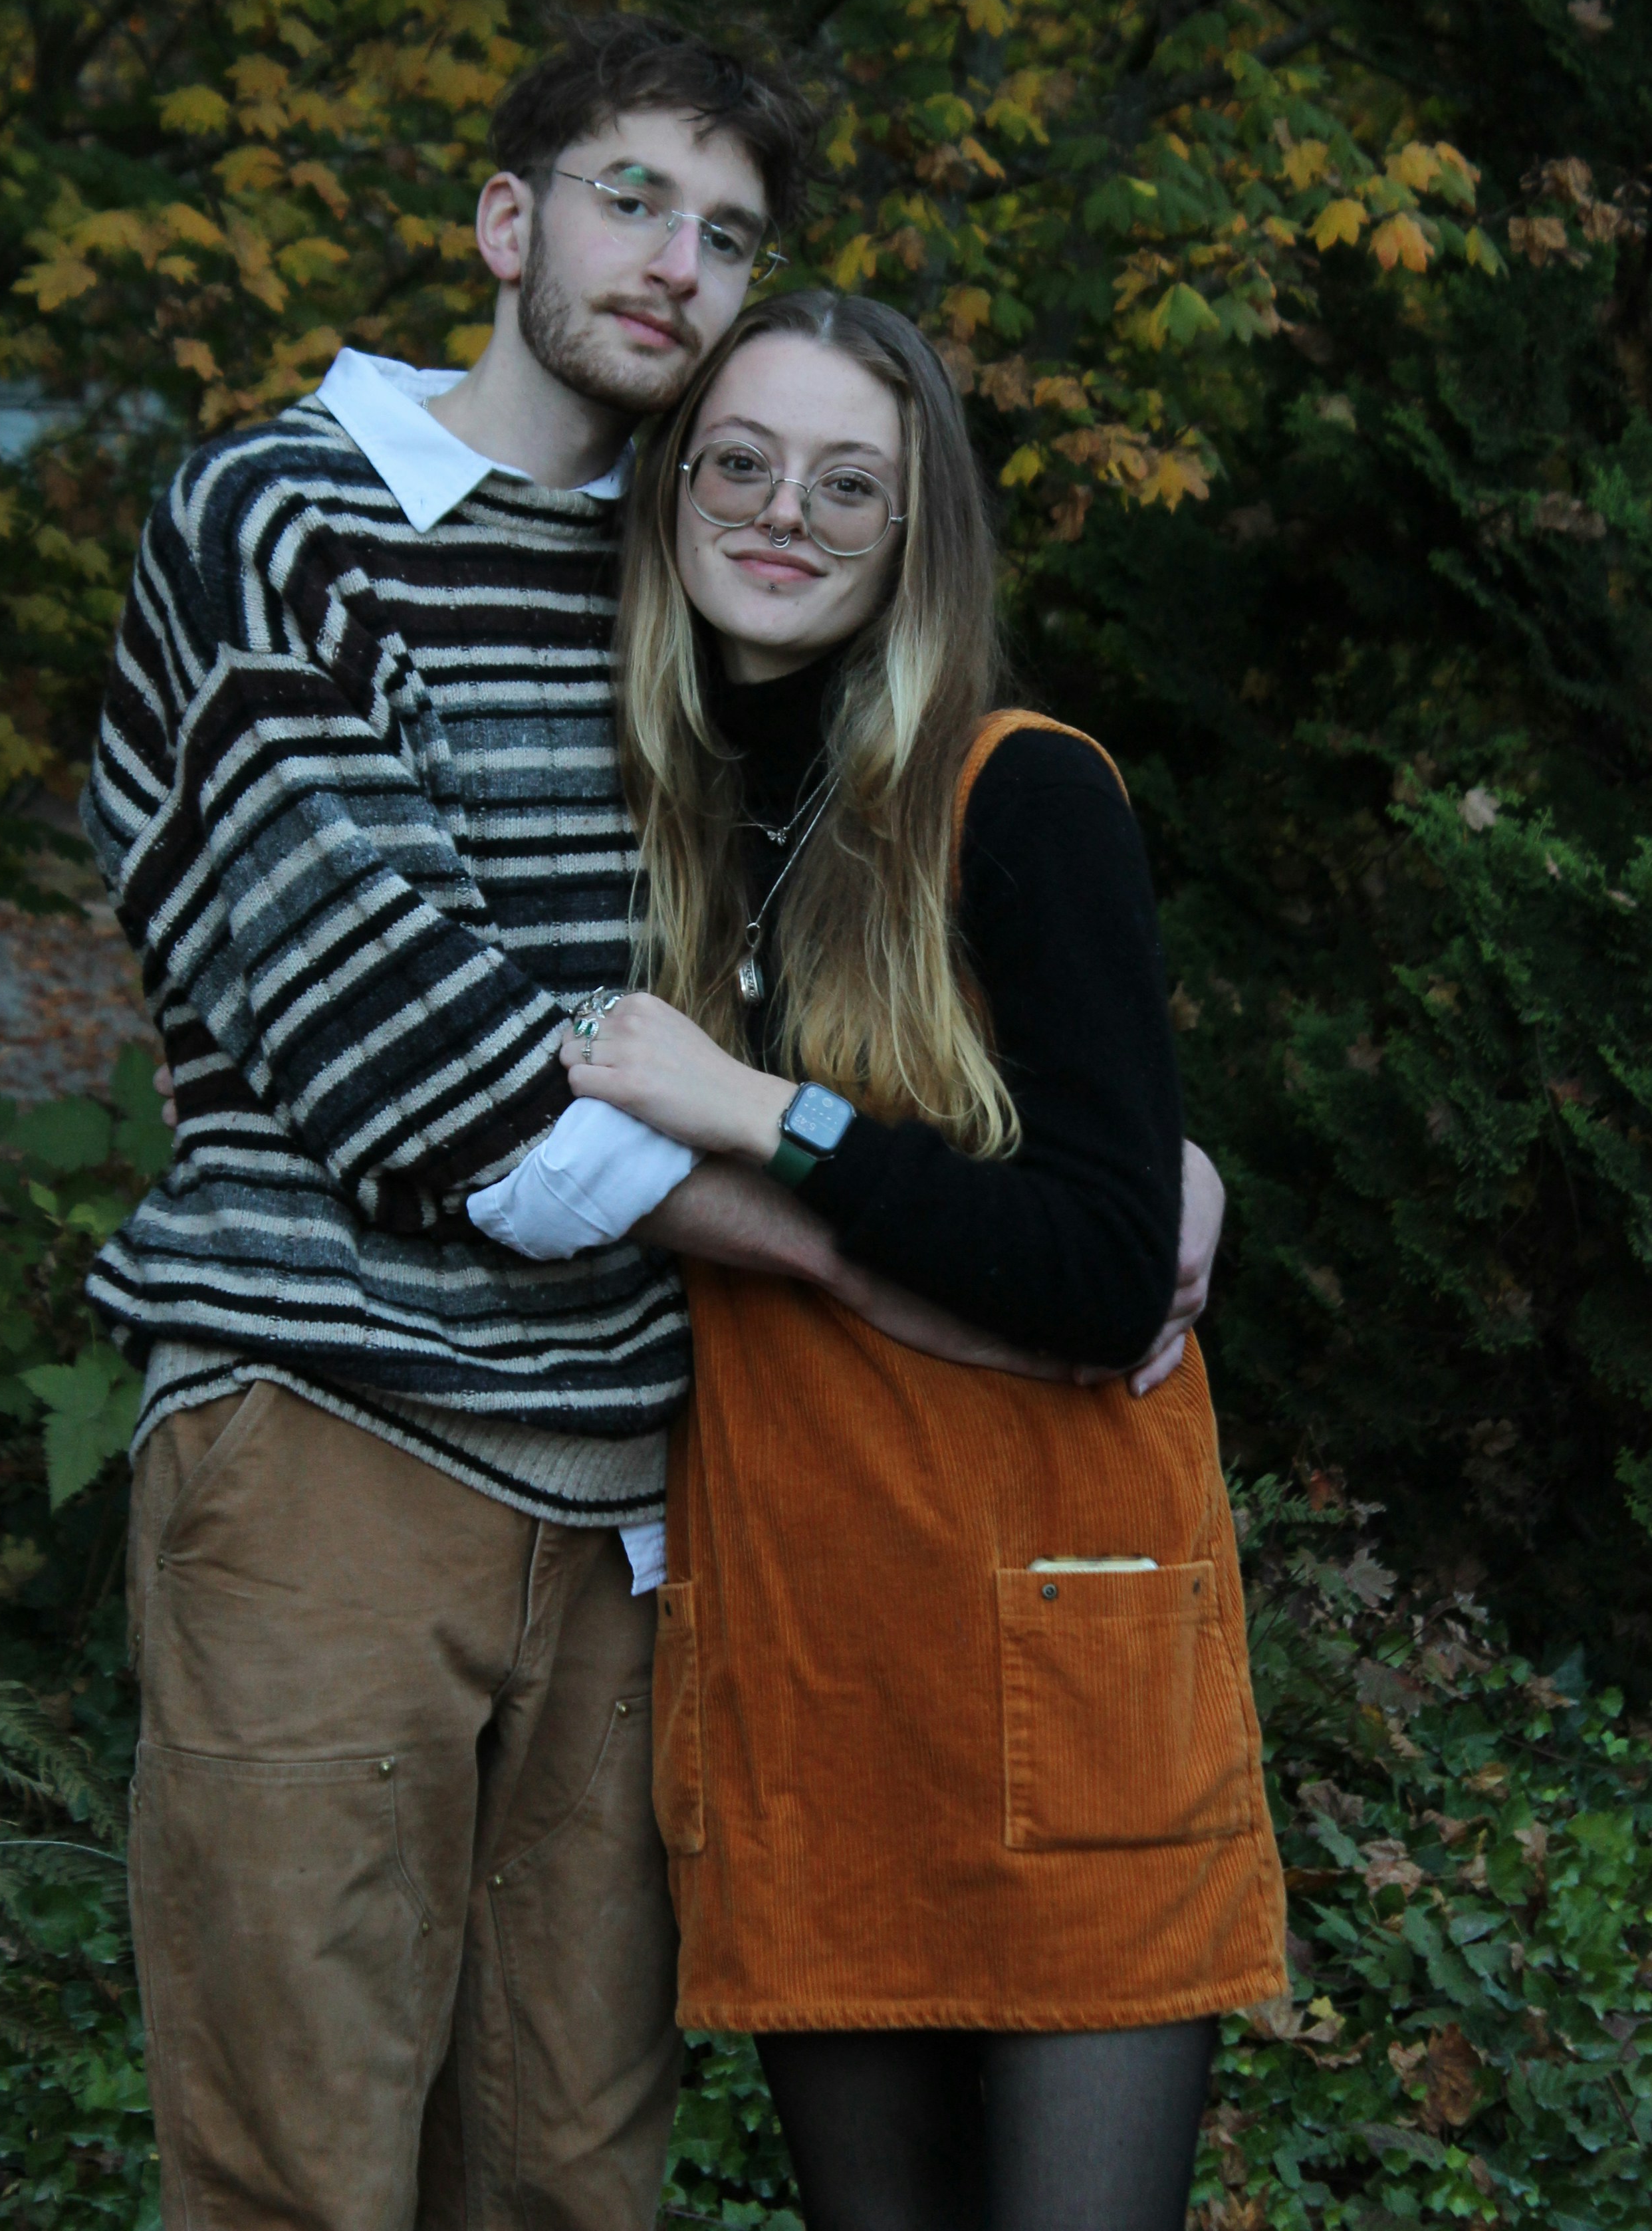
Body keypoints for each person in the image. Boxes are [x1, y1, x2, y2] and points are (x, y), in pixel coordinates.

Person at [84, 12, 1227, 2231]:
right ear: (506, 220)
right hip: (340, 1441)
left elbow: (915, 939)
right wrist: (882, 1251)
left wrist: (1144, 1166)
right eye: (631, 198)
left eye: (730, 231)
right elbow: (443, 1080)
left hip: (642, 1514)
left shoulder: (678, 593)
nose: (677, 261)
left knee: (571, 2175)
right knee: (304, 2164)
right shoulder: (278, 522)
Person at [512, 286, 1287, 2231]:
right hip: (820, 1671)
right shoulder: (654, 817)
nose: (786, 511)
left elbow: (1107, 1264)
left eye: (847, 482)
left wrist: (765, 1112)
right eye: (743, 463)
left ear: (913, 522)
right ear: (670, 490)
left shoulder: (1020, 790)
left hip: (1059, 1650)